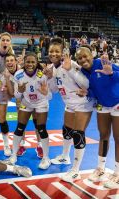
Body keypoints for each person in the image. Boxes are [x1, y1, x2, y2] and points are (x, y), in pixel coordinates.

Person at [45, 38, 94, 182]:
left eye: (57, 51)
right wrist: (49, 78)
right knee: (67, 130)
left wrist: (70, 70)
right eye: (51, 51)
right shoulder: (53, 68)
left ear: (63, 52)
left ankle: (75, 170)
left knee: (78, 134)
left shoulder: (72, 64)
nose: (54, 53)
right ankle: (65, 157)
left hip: (83, 103)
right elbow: (54, 90)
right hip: (69, 103)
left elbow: (86, 84)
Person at [78, 48, 119, 189]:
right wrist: (87, 92)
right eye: (80, 59)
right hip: (102, 105)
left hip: (117, 103)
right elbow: (95, 89)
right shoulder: (83, 72)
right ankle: (100, 168)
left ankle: (118, 174)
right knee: (103, 136)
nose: (83, 60)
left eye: (85, 57)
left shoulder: (102, 63)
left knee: (118, 138)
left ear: (91, 56)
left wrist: (112, 73)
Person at [5, 53, 51, 169]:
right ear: (24, 63)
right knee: (20, 127)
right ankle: (13, 155)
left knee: (41, 128)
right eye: (28, 62)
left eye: (32, 62)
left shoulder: (42, 75)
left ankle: (46, 158)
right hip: (26, 103)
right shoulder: (18, 75)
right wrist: (20, 91)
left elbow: (50, 96)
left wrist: (45, 92)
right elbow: (16, 95)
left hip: (41, 103)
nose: (30, 64)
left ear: (36, 63)